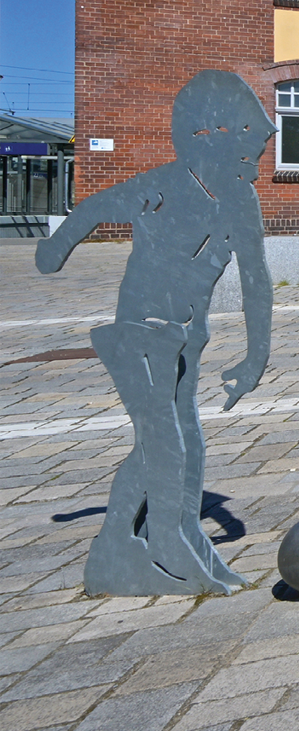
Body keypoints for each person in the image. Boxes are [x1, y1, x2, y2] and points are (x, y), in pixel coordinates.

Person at [36, 71, 275, 595]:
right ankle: (164, 542)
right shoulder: (162, 186)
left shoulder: (240, 201)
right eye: (248, 149)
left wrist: (255, 356)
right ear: (209, 135)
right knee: (164, 443)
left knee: (181, 441)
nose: (255, 163)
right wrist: (53, 252)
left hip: (186, 343)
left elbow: (256, 280)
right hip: (140, 334)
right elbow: (95, 207)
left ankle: (141, 541)